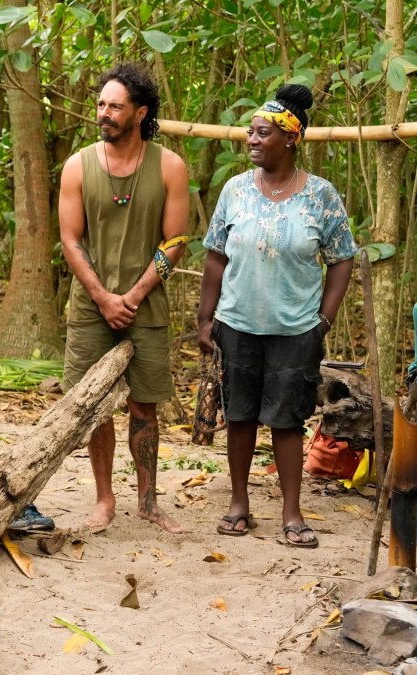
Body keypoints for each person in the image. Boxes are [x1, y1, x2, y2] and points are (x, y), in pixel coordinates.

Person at [197, 84, 355, 547]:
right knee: (240, 415)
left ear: (290, 139)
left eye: (262, 133)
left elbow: (342, 258)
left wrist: (322, 321)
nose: (251, 139)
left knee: (287, 420)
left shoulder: (321, 196)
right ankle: (239, 504)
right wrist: (206, 319)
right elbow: (215, 256)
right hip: (237, 323)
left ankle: (291, 512)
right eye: (250, 132)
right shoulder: (235, 190)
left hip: (296, 329)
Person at [57, 62, 189, 534]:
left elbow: (176, 242)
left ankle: (149, 500)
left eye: (115, 106)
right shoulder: (78, 165)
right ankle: (104, 498)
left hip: (146, 304)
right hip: (91, 307)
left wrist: (131, 295)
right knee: (93, 404)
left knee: (145, 405)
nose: (104, 113)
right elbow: (70, 240)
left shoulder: (169, 165)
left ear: (140, 113)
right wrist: (102, 296)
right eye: (101, 104)